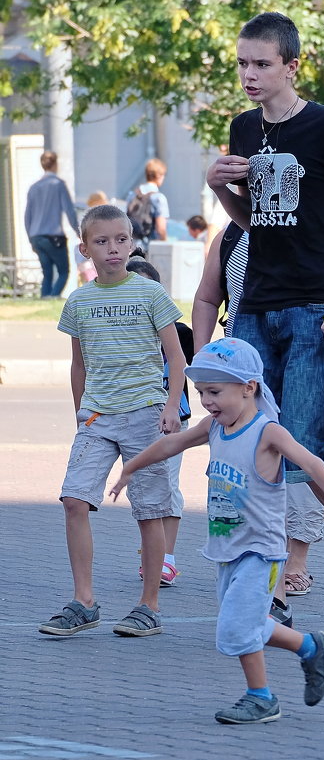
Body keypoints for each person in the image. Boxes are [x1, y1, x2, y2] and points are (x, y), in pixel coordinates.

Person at [204, 11, 324, 631]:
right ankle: (272, 579)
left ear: (292, 65)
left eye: (261, 64)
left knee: (303, 450)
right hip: (255, 306)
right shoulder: (243, 128)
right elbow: (252, 219)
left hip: (317, 308)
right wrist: (217, 187)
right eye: (242, 63)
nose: (249, 75)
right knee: (249, 442)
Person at [110, 338, 324, 724]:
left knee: (237, 625)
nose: (207, 401)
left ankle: (262, 698)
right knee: (250, 620)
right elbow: (172, 443)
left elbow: (313, 461)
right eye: (202, 392)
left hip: (262, 551)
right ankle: (310, 646)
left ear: (248, 387)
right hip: (227, 550)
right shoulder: (215, 428)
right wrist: (130, 467)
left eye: (215, 392)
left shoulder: (267, 431)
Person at [192, 221, 324, 628]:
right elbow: (206, 298)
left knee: (301, 454)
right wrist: (206, 367)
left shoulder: (310, 231)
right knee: (255, 468)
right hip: (240, 374)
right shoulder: (230, 237)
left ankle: (323, 557)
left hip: (299, 353)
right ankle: (275, 593)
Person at [38, 204, 185, 639]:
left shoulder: (150, 294)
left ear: (132, 243)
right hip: (98, 418)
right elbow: (77, 365)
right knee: (74, 500)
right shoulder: (79, 301)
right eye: (102, 242)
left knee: (150, 510)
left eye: (121, 240)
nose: (113, 249)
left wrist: (172, 407)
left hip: (145, 415)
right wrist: (79, 413)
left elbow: (176, 357)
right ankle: (84, 601)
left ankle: (149, 605)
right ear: (85, 249)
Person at [126, 254, 194, 586]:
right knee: (144, 488)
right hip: (133, 418)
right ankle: (151, 553)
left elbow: (192, 369)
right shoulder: (121, 335)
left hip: (172, 421)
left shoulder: (179, 332)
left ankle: (166, 558)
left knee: (168, 486)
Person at [24, 151, 79, 298]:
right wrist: (79, 231)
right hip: (53, 236)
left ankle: (44, 298)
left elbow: (27, 216)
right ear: (55, 164)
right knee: (63, 271)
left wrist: (31, 238)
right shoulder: (58, 184)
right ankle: (53, 298)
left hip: (36, 235)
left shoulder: (33, 187)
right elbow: (69, 211)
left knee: (47, 273)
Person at [126, 158, 170, 252]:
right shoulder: (158, 198)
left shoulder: (132, 195)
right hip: (149, 247)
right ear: (159, 175)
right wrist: (165, 243)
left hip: (132, 246)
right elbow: (161, 229)